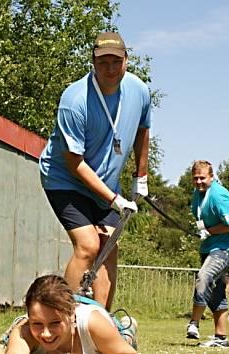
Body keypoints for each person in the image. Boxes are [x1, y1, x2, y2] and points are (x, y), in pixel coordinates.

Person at [39, 31, 152, 310]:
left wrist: (142, 176)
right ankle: (64, 321)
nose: (110, 69)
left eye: (116, 61)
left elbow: (142, 130)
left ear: (126, 60)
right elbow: (74, 162)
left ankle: (100, 324)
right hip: (65, 179)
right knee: (89, 245)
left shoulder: (139, 91)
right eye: (103, 62)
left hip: (106, 184)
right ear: (93, 62)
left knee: (109, 248)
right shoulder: (74, 100)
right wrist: (114, 199)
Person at [184, 160, 229, 348]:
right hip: (209, 246)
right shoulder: (197, 193)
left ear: (211, 177)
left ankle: (194, 323)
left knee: (204, 277)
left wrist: (209, 231)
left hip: (227, 247)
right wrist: (202, 230)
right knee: (217, 293)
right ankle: (221, 339)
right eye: (195, 178)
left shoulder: (219, 195)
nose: (199, 181)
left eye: (202, 178)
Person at [5, 274, 137, 354]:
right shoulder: (24, 332)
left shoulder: (92, 323)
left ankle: (129, 325)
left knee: (125, 339)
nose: (46, 333)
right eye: (37, 323)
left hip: (108, 333)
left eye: (55, 322)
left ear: (71, 313)